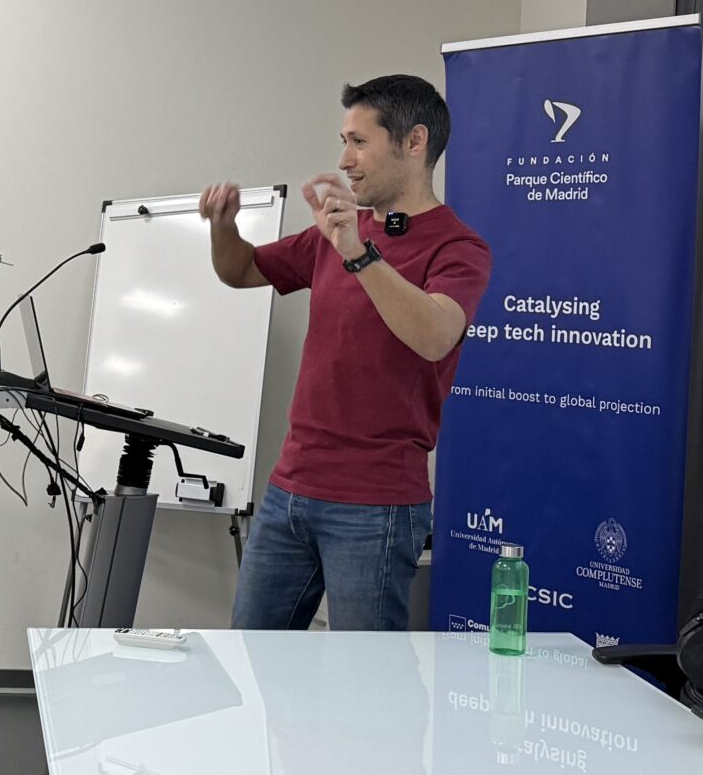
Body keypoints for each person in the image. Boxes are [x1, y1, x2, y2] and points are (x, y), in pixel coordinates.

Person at [205, 74, 494, 633]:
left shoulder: (457, 247)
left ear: (414, 142)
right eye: (344, 141)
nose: (345, 159)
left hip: (376, 505)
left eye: (360, 142)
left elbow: (435, 335)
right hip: (289, 490)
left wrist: (360, 256)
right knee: (253, 661)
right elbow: (238, 269)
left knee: (370, 689)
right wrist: (223, 228)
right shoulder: (340, 233)